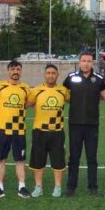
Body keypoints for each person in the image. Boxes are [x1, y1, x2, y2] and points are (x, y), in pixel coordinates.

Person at [62, 52, 105, 196]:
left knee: (92, 157)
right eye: (83, 61)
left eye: (89, 61)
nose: (86, 63)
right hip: (75, 124)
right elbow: (62, 95)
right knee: (74, 157)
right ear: (79, 62)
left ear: (92, 63)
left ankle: (93, 187)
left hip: (92, 125)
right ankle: (71, 187)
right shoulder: (71, 78)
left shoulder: (99, 79)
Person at [0, 60, 32, 199]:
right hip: (2, 130)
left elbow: (28, 103)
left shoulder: (25, 88)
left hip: (19, 130)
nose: (15, 72)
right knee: (1, 159)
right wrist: (1, 103)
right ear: (8, 71)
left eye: (18, 69)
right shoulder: (0, 86)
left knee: (20, 159)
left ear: (21, 71)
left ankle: (22, 186)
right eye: (13, 69)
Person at [27, 64, 69, 198]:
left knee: (58, 161)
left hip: (57, 131)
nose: (51, 75)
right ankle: (38, 187)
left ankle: (58, 187)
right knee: (38, 160)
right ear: (44, 75)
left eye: (53, 73)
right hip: (39, 131)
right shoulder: (37, 90)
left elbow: (74, 100)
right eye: (48, 73)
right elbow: (26, 104)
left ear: (57, 75)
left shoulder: (63, 90)